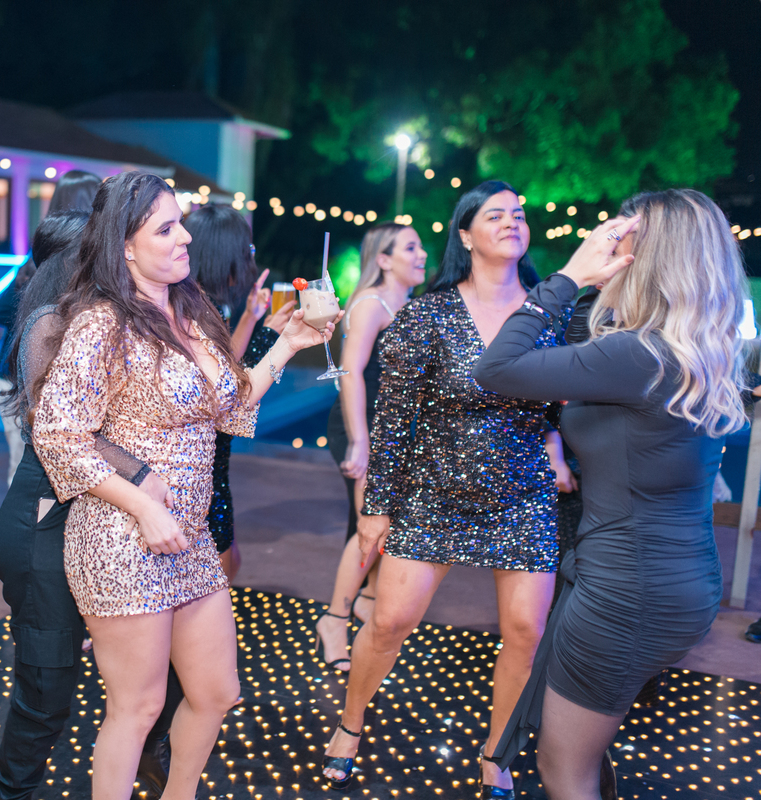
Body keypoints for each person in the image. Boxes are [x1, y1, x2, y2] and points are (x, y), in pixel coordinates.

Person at [31, 171, 339, 800]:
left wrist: (287, 345)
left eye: (181, 225)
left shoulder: (188, 310)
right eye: (166, 228)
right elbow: (58, 435)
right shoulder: (102, 324)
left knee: (217, 692)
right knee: (138, 707)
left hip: (190, 535)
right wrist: (143, 507)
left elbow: (228, 407)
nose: (185, 239)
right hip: (121, 537)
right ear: (125, 246)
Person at [475, 191, 744, 799]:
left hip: (628, 590)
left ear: (651, 259)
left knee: (564, 769)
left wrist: (567, 277)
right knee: (585, 752)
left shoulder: (636, 354)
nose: (609, 248)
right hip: (676, 578)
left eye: (622, 240)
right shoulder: (697, 349)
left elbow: (496, 370)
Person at [322, 181, 562, 795]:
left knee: (527, 632)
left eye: (519, 213)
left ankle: (497, 753)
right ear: (465, 235)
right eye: (495, 214)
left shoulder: (548, 314)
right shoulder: (429, 313)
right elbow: (394, 418)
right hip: (433, 492)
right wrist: (377, 507)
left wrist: (558, 447)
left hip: (522, 496)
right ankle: (350, 724)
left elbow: (557, 407)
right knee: (389, 622)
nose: (511, 221)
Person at [0, 209, 174, 799]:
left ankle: (145, 764)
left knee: (149, 674)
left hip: (95, 519)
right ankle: (14, 791)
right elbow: (62, 430)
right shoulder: (49, 323)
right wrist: (143, 473)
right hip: (44, 518)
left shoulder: (109, 320)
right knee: (47, 687)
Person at [314, 222, 425, 671]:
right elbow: (351, 372)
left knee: (389, 525)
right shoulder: (369, 304)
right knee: (370, 526)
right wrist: (361, 441)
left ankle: (369, 600)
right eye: (410, 248)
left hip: (394, 432)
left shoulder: (409, 305)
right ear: (383, 259)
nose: (421, 254)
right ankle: (334, 620)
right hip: (364, 426)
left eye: (421, 247)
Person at [184, 203, 296, 580]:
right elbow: (228, 387)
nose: (250, 257)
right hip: (203, 453)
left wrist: (251, 316)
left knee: (227, 561)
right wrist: (273, 335)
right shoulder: (190, 309)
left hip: (215, 454)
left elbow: (225, 358)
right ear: (223, 253)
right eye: (246, 249)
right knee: (219, 570)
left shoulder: (203, 301)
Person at [0, 170, 104, 485]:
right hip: (27, 381)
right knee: (33, 477)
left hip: (26, 380)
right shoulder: (55, 260)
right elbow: (1, 311)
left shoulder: (42, 259)